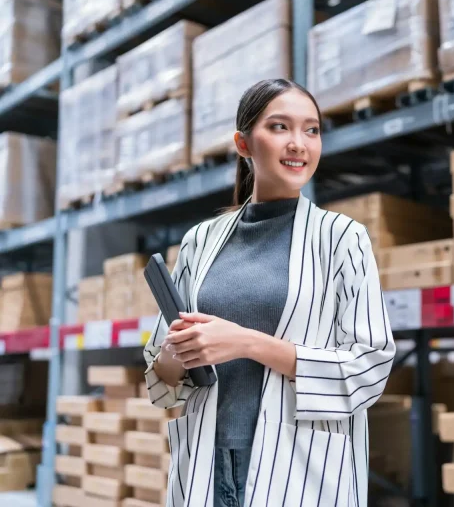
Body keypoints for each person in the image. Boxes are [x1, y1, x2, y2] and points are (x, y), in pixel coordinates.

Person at [142, 78, 396, 507]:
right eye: (280, 127)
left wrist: (245, 342)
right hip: (206, 464)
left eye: (311, 130)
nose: (298, 143)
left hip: (302, 470)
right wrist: (175, 352)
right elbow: (161, 382)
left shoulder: (341, 238)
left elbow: (367, 369)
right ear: (243, 143)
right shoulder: (199, 241)